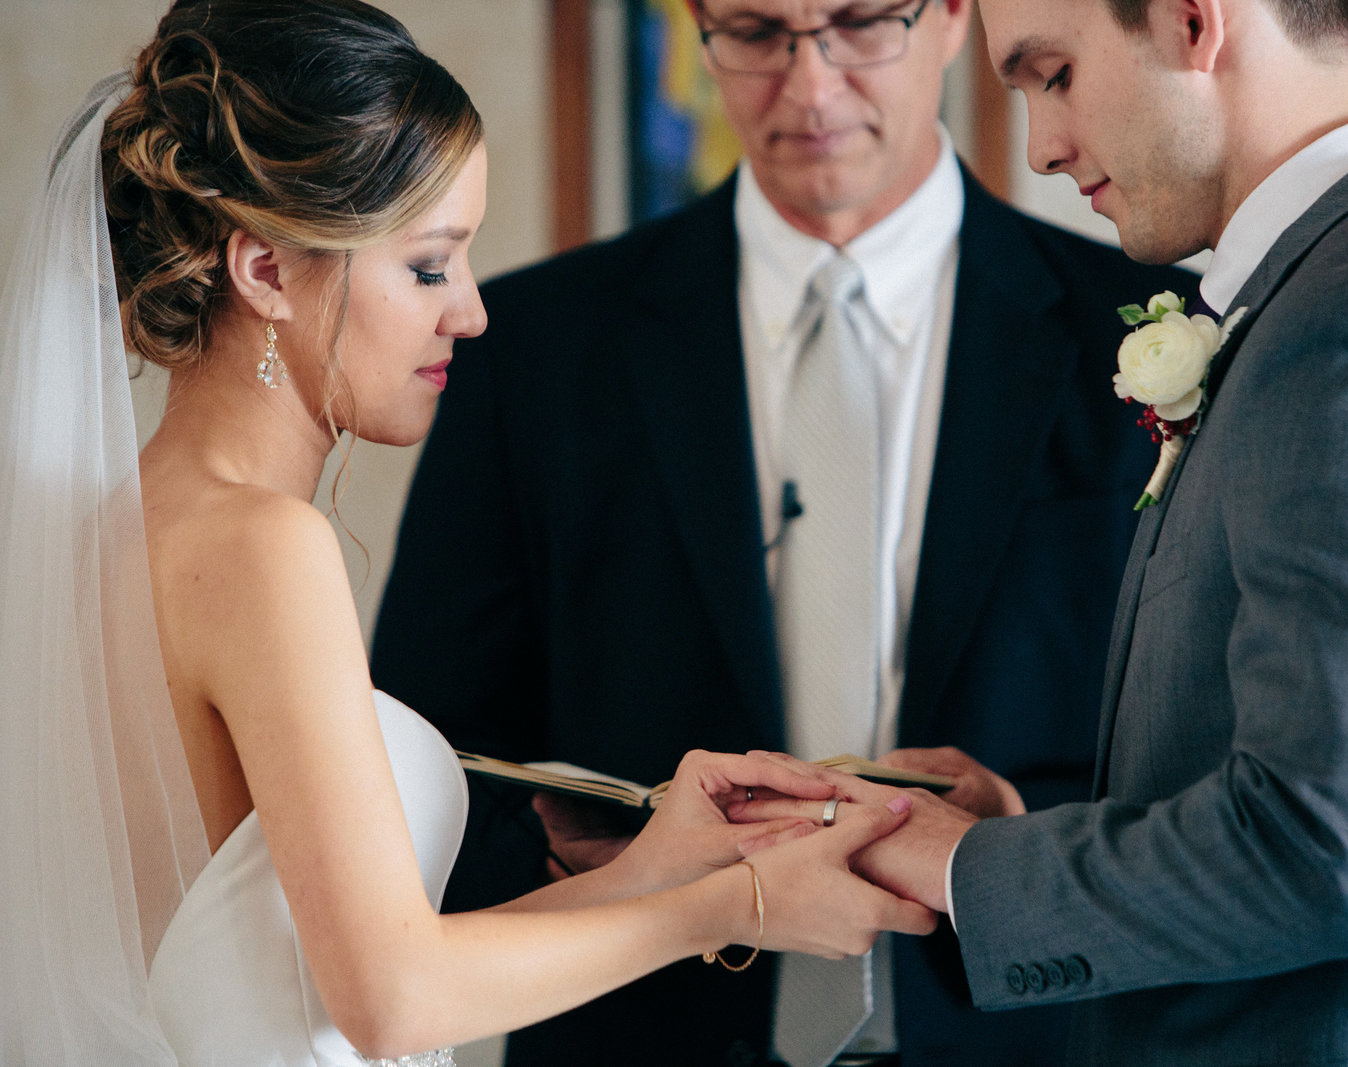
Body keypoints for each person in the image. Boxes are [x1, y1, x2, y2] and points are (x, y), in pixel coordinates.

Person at [0, 2, 938, 1064]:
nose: (473, 313)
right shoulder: (264, 547)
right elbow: (393, 1002)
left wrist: (655, 867)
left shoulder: (113, 533)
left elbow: (335, 976)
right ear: (265, 271)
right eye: (431, 265)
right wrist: (738, 906)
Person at [749, 0, 1348, 1062]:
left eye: (1052, 75)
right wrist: (1013, 834)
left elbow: (1325, 851)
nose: (1041, 147)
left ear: (1195, 20)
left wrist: (969, 867)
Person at [371, 0, 1196, 1062]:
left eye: (858, 24)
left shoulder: (1162, 332)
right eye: (756, 33)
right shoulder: (530, 346)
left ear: (952, 17)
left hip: (1036, 1029)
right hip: (648, 1035)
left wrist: (1023, 833)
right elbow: (430, 752)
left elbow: (1219, 766)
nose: (808, 88)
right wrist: (595, 873)